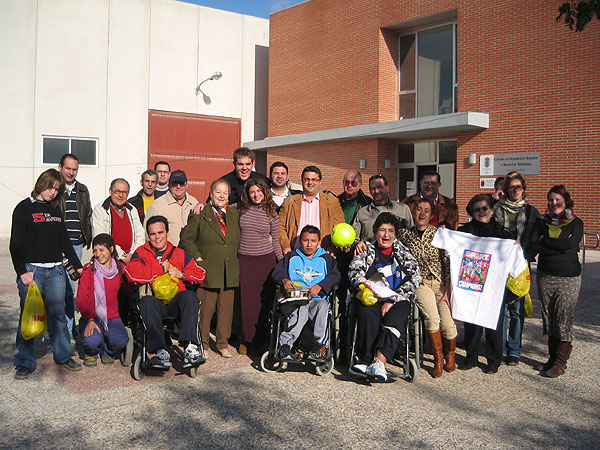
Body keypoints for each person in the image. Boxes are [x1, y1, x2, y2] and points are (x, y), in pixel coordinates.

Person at [10, 169, 83, 379]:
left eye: (56, 189)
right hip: (33, 272)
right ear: (42, 183)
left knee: (59, 315)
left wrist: (77, 265)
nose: (52, 192)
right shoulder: (24, 208)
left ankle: (63, 355)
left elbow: (64, 241)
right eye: (50, 187)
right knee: (29, 314)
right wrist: (22, 272)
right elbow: (15, 245)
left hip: (56, 271)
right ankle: (24, 361)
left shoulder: (54, 210)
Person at [124, 216, 206, 369]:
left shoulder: (179, 253)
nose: (157, 237)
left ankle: (190, 347)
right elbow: (132, 274)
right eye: (153, 234)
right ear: (149, 235)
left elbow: (200, 273)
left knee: (190, 296)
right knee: (146, 302)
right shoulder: (142, 253)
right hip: (155, 304)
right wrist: (161, 269)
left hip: (176, 302)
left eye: (160, 232)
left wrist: (181, 274)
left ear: (167, 233)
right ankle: (161, 351)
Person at [349, 212, 422, 381]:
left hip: (396, 298)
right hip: (372, 296)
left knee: (399, 313)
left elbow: (416, 277)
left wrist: (392, 299)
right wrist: (372, 290)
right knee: (367, 312)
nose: (386, 234)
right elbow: (354, 273)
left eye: (390, 230)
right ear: (376, 232)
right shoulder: (365, 248)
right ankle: (366, 360)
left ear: (395, 233)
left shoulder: (403, 252)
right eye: (382, 230)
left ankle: (379, 361)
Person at [180, 179, 240, 358]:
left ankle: (222, 343)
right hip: (207, 267)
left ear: (228, 197)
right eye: (217, 192)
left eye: (224, 193)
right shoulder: (200, 212)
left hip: (229, 268)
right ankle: (203, 343)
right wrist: (198, 257)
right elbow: (187, 239)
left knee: (226, 310)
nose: (221, 196)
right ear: (211, 194)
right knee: (205, 310)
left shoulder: (234, 214)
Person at [398, 198, 457, 378]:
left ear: (431, 215)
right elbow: (385, 237)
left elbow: (448, 259)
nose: (421, 213)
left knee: (448, 325)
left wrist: (448, 288)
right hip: (421, 283)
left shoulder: (439, 234)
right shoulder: (406, 235)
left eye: (425, 210)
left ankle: (450, 355)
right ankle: (438, 359)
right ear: (413, 213)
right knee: (432, 318)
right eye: (418, 210)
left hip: (441, 283)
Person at [530, 185, 583, 378]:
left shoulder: (576, 223)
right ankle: (551, 359)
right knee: (550, 317)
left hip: (568, 277)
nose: (553, 203)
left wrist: (547, 242)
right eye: (550, 200)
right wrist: (558, 247)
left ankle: (560, 363)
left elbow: (570, 244)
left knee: (563, 317)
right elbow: (535, 244)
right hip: (545, 275)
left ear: (565, 200)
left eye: (557, 200)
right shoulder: (541, 222)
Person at [458, 194, 512, 374]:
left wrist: (515, 246)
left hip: (493, 285)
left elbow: (511, 256)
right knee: (471, 322)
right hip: (471, 282)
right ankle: (471, 357)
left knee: (493, 324)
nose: (481, 212)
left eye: (484, 208)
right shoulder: (464, 232)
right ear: (472, 212)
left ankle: (494, 360)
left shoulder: (502, 234)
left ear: (491, 210)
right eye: (477, 209)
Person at [272, 225, 341, 361]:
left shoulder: (326, 259)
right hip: (296, 299)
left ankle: (320, 347)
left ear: (318, 242)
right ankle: (284, 346)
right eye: (305, 240)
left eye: (313, 241)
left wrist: (321, 286)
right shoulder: (292, 256)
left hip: (317, 299)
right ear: (300, 241)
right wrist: (284, 279)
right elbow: (276, 272)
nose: (309, 244)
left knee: (323, 307)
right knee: (300, 310)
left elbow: (336, 276)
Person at [493, 171, 540, 366]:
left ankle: (515, 350)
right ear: (505, 190)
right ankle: (501, 348)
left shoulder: (531, 212)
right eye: (511, 187)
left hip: (520, 265)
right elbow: (488, 231)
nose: (515, 191)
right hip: (500, 263)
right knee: (500, 307)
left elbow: (536, 237)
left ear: (524, 189)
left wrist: (525, 255)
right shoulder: (496, 209)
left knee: (517, 309)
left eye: (518, 187)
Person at [237, 179, 283, 355]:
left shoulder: (272, 213)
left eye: (259, 191)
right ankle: (245, 339)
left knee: (263, 304)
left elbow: (276, 240)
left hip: (265, 261)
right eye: (252, 192)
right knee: (246, 303)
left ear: (265, 192)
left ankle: (259, 340)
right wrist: (203, 204)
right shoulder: (239, 208)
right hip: (245, 261)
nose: (256, 195)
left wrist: (281, 262)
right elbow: (219, 205)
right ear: (247, 194)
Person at [76, 233, 129, 366]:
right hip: (92, 316)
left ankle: (108, 350)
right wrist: (89, 319)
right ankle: (91, 352)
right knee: (92, 341)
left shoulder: (120, 269)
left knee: (120, 341)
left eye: (101, 250)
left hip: (112, 316)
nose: (98, 254)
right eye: (95, 250)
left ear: (111, 249)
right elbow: (81, 299)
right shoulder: (89, 270)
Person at [58, 153, 93, 339]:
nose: (71, 172)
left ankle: (69, 330)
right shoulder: (54, 188)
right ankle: (55, 331)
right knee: (55, 288)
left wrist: (89, 238)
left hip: (76, 246)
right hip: (57, 245)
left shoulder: (83, 190)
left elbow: (87, 215)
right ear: (60, 167)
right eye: (68, 168)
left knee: (70, 289)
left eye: (74, 169)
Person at [278, 165, 345, 254]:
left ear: (320, 181)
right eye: (307, 179)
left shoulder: (333, 202)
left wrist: (332, 249)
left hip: (323, 254)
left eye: (314, 180)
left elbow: (339, 228)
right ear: (302, 181)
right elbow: (279, 227)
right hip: (295, 254)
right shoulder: (289, 202)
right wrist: (286, 247)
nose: (310, 182)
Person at [92, 178, 145, 264]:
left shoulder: (132, 210)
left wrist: (132, 254)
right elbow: (100, 238)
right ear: (110, 191)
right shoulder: (100, 210)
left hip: (132, 259)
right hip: (109, 260)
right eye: (117, 191)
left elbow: (140, 235)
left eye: (124, 192)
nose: (121, 195)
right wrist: (121, 255)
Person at [144, 169, 198, 246]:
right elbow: (147, 234)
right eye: (175, 184)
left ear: (187, 185)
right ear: (169, 185)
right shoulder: (157, 206)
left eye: (181, 184)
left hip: (191, 255)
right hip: (168, 256)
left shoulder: (194, 203)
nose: (178, 187)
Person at [353, 174, 413, 241]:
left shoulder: (403, 209)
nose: (376, 191)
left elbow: (412, 236)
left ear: (387, 188)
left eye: (379, 187)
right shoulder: (362, 212)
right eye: (373, 188)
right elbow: (355, 240)